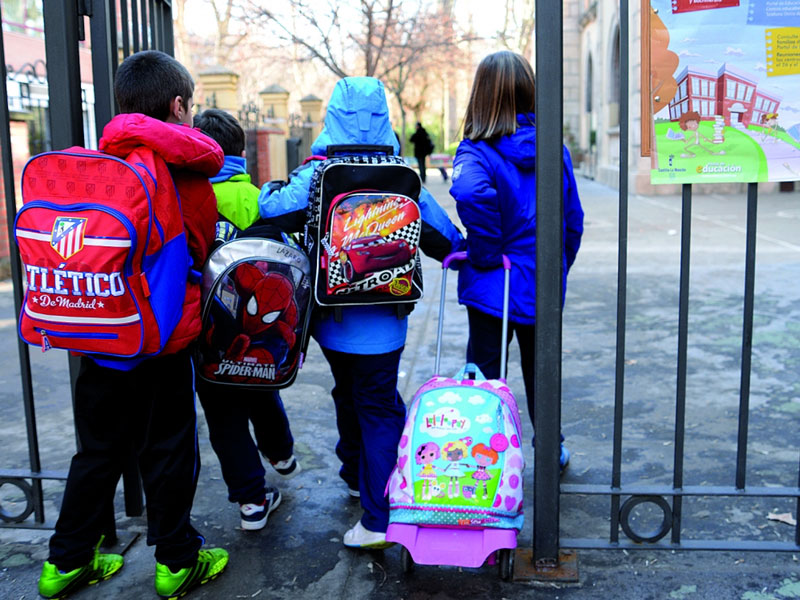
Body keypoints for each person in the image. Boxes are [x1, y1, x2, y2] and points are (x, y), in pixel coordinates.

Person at [37, 50, 228, 600]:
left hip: (97, 333)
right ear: (177, 106)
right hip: (163, 337)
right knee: (168, 448)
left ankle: (65, 563)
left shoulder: (101, 164)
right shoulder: (184, 170)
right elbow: (199, 243)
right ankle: (176, 562)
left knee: (96, 451)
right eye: (188, 108)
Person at [257, 77, 462, 549]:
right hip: (387, 321)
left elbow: (272, 210)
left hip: (331, 321)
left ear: (332, 117)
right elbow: (445, 239)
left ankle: (375, 513)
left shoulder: (319, 174)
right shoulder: (402, 176)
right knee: (376, 402)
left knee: (351, 394)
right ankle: (368, 484)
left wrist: (273, 184)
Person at [449, 50, 584, 473]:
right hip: (540, 279)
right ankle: (551, 448)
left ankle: (482, 453)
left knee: (487, 374)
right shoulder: (553, 150)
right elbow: (572, 221)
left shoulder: (475, 151)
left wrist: (486, 253)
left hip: (494, 283)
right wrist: (557, 265)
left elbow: (471, 193)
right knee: (542, 373)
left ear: (481, 96)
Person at [192, 108, 300, 532]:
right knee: (261, 391)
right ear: (240, 152)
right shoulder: (260, 200)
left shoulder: (189, 199)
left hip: (206, 334)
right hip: (260, 333)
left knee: (223, 419)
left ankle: (252, 503)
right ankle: (281, 452)